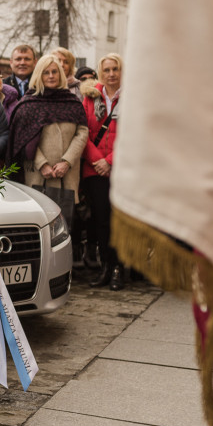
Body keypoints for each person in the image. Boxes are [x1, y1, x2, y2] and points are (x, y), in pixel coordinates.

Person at [7, 53, 89, 218]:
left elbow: (82, 132)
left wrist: (67, 162)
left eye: (54, 72)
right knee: (39, 218)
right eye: (46, 72)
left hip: (67, 172)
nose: (51, 76)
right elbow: (23, 138)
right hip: (38, 174)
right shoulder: (29, 104)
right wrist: (42, 164)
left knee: (65, 222)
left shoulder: (72, 102)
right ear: (39, 75)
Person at [81, 53, 125, 290]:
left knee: (119, 220)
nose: (111, 74)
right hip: (94, 169)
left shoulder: (132, 98)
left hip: (121, 168)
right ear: (100, 72)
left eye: (115, 69)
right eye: (106, 69)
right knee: (101, 222)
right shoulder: (90, 97)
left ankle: (119, 268)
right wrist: (98, 161)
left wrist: (111, 161)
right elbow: (83, 131)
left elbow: (134, 134)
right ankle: (106, 266)